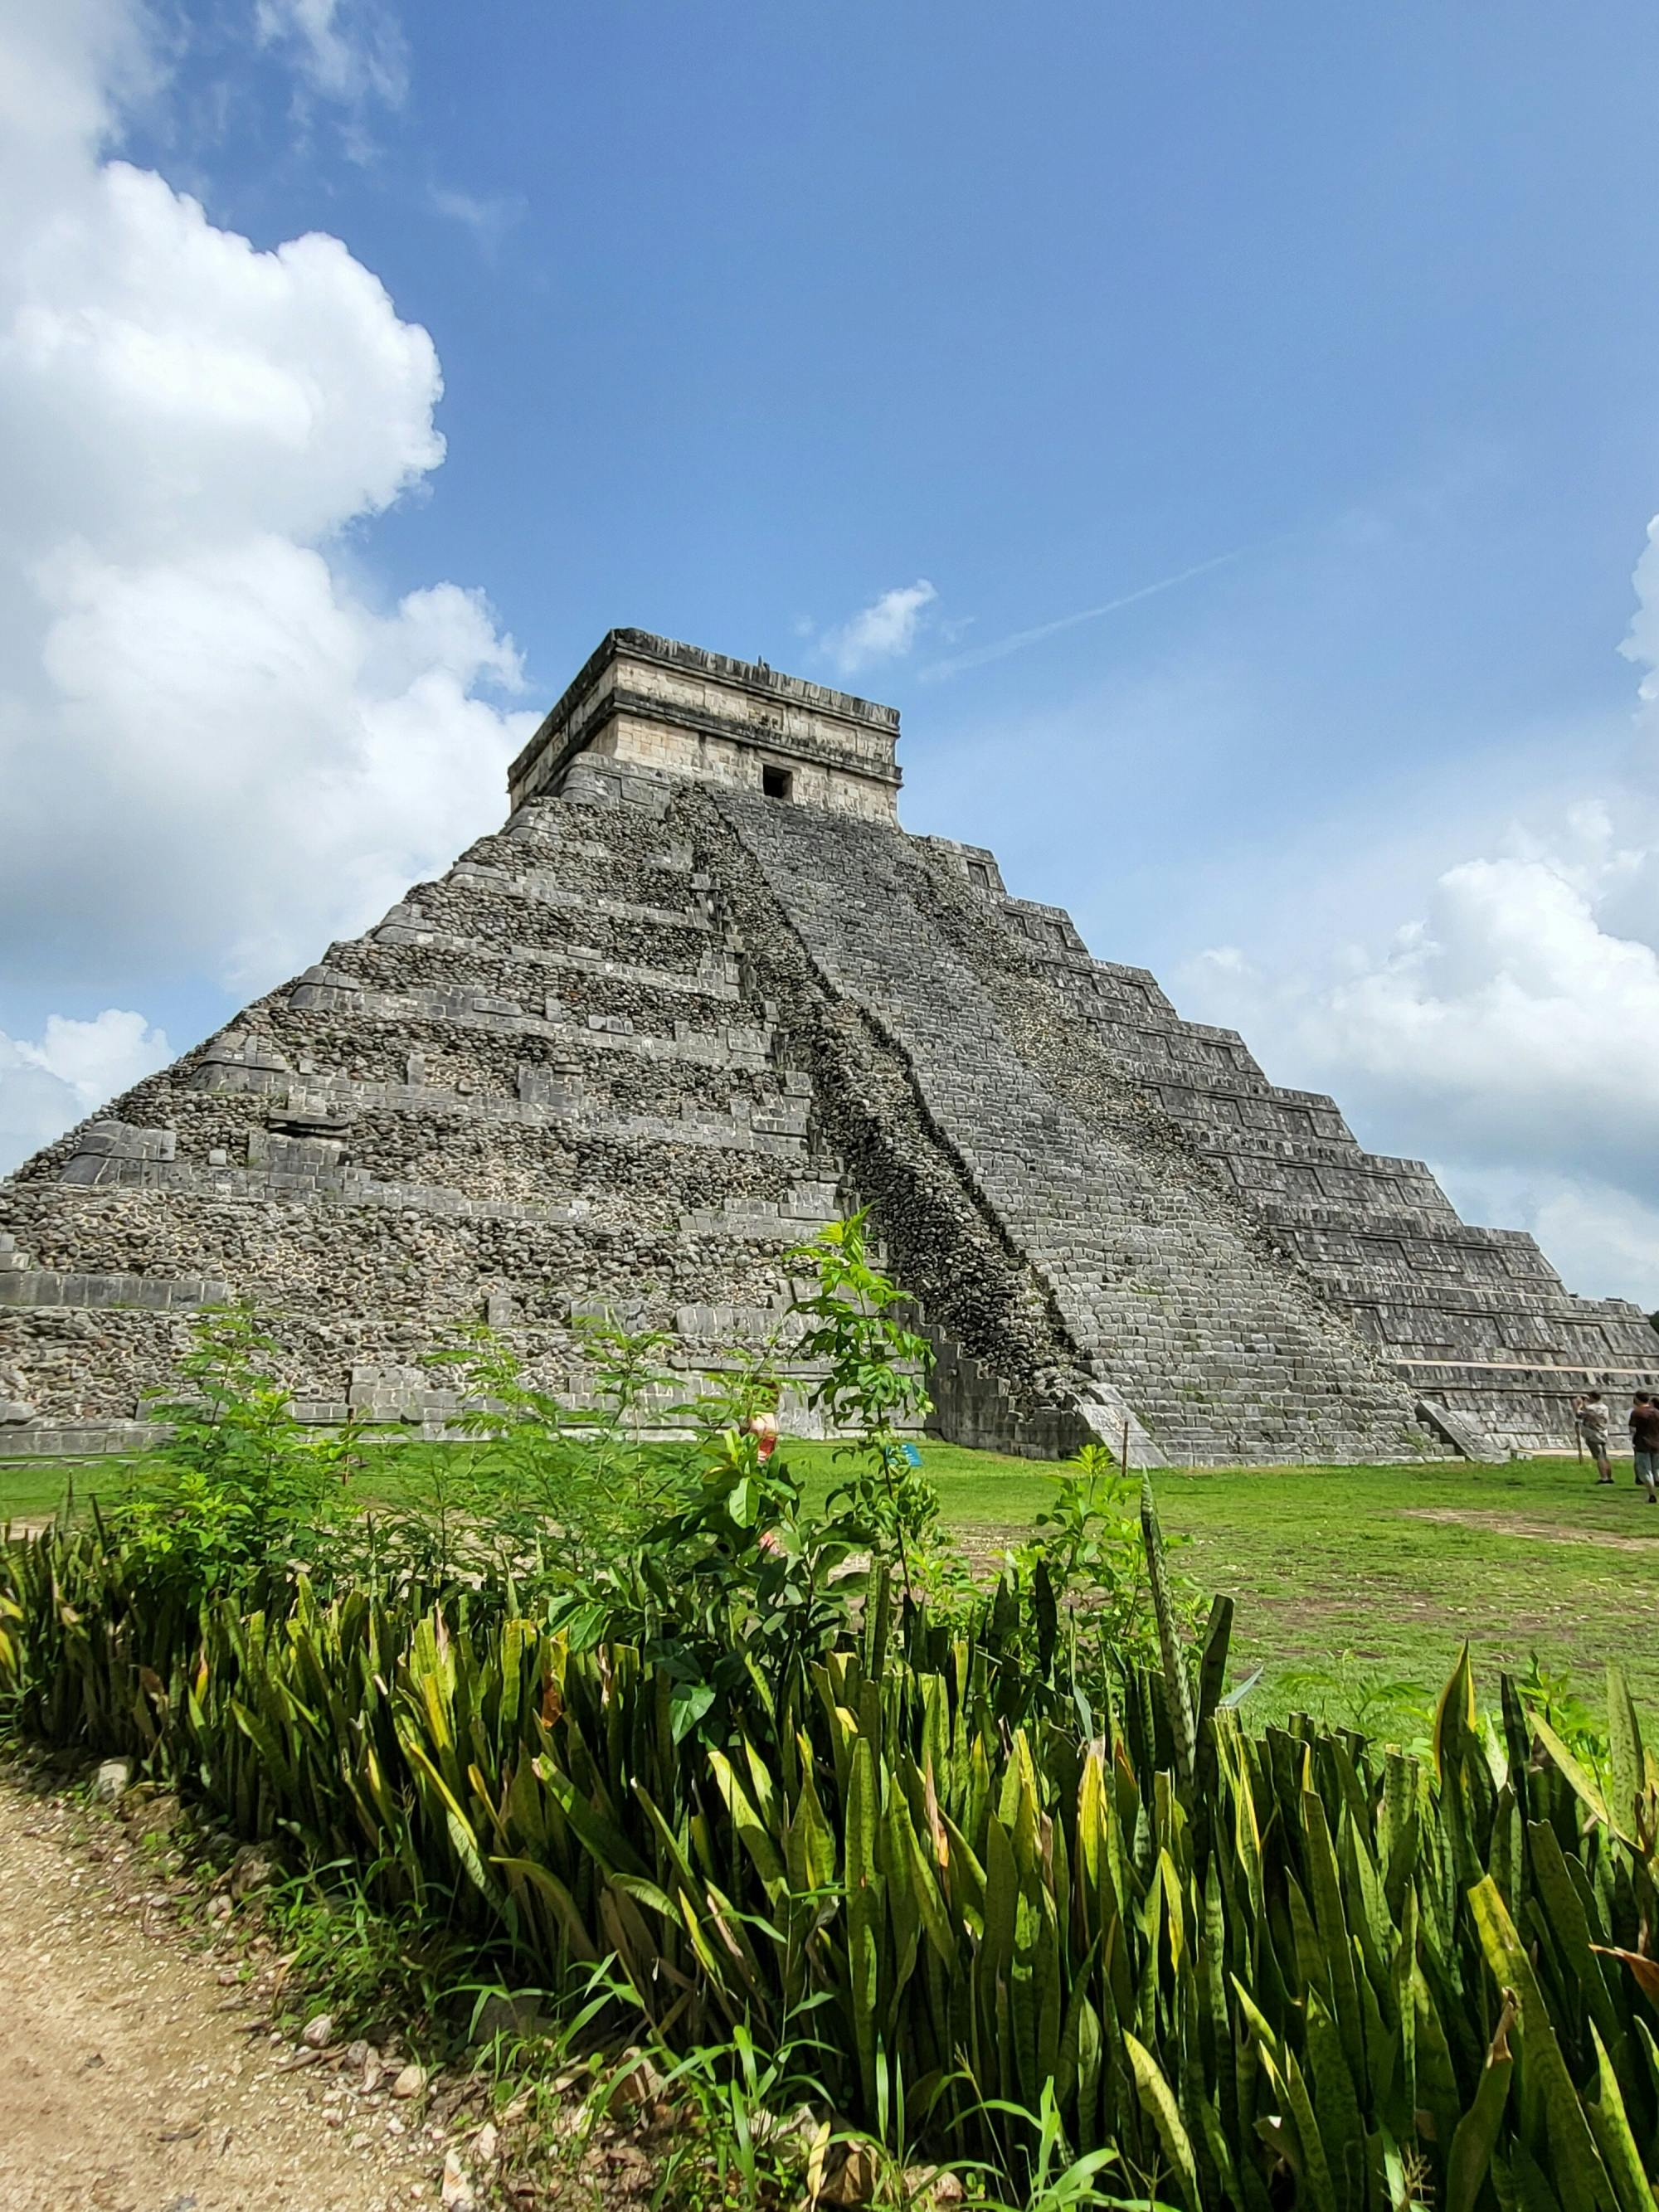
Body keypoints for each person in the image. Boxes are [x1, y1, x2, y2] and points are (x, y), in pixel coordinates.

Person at [1577, 1390, 1613, 1483]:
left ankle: (1604, 1478)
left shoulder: (1590, 1408)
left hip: (1593, 1433)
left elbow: (1579, 1414)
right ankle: (1609, 1477)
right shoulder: (1605, 1407)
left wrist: (1580, 1404)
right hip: (1603, 1432)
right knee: (1604, 1455)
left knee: (1599, 1456)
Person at [1629, 1393, 1659, 1505]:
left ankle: (1652, 1495)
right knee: (1657, 1470)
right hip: (1657, 1443)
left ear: (1637, 1399)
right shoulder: (1656, 1412)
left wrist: (1633, 1442)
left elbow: (1632, 1430)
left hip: (1642, 1444)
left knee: (1646, 1471)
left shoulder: (1637, 1412)